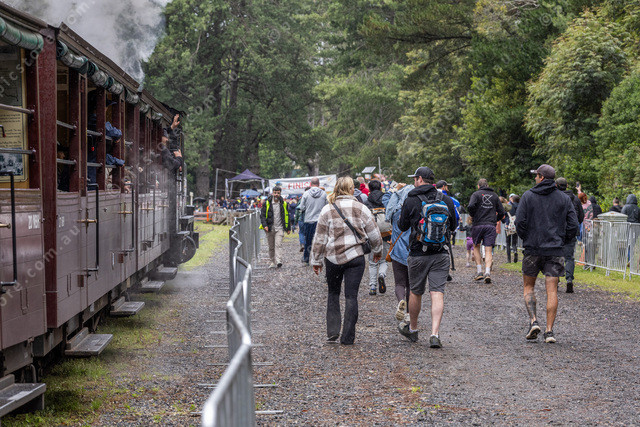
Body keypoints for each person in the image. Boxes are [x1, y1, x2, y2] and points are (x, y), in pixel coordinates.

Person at [310, 177, 383, 345]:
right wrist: (377, 251)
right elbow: (374, 234)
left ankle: (332, 331)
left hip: (333, 258)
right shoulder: (361, 208)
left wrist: (316, 260)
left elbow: (320, 238)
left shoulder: (327, 209)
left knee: (333, 293)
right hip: (355, 258)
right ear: (351, 190)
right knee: (351, 296)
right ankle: (348, 337)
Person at [516, 165, 579, 344]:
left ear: (541, 177)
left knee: (529, 287)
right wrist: (562, 240)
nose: (535, 178)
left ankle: (534, 321)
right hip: (555, 249)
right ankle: (549, 331)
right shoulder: (563, 198)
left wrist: (527, 237)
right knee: (552, 290)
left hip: (532, 248)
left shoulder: (528, 196)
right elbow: (573, 225)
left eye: (536, 176)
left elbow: (520, 222)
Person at [397, 166, 458, 347]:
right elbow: (453, 225)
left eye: (415, 178)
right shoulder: (446, 199)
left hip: (418, 253)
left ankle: (413, 329)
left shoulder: (411, 199)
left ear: (420, 179)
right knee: (437, 292)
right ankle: (435, 334)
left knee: (416, 292)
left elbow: (402, 226)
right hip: (441, 253)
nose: (414, 181)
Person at [383, 182, 414, 322]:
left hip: (397, 251)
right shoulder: (415, 209)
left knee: (399, 283)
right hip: (413, 252)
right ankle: (408, 313)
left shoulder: (394, 212)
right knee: (411, 285)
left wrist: (395, 190)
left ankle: (401, 301)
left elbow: (386, 198)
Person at [467, 178, 506, 283]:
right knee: (488, 250)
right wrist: (495, 220)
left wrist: (473, 215)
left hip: (478, 224)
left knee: (476, 246)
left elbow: (470, 206)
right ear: (487, 185)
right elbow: (502, 212)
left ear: (478, 186)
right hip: (490, 225)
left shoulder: (476, 194)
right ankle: (487, 272)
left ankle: (479, 272)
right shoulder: (495, 196)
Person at [556, 177, 584, 293]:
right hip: (571, 231)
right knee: (569, 257)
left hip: (557, 232)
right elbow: (581, 216)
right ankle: (569, 280)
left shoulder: (554, 198)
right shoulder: (575, 199)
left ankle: (556, 279)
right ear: (567, 186)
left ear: (556, 185)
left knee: (556, 256)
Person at [365, 179, 389, 295]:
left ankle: (373, 287)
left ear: (369, 189)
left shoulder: (367, 201)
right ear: (380, 188)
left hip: (372, 235)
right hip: (385, 234)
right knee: (384, 260)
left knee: (372, 262)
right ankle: (382, 275)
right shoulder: (386, 199)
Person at [259, 187, 291, 268]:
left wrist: (288, 228)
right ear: (272, 193)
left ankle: (278, 261)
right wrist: (265, 225)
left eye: (278, 193)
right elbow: (262, 216)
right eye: (275, 193)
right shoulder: (267, 203)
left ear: (280, 193)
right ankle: (273, 261)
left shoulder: (284, 204)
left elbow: (287, 215)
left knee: (278, 245)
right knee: (271, 246)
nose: (276, 194)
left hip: (280, 228)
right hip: (270, 228)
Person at [298, 177, 328, 264]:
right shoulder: (324, 194)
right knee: (321, 241)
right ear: (319, 184)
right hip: (321, 221)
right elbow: (327, 207)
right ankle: (319, 259)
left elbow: (302, 207)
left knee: (308, 241)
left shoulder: (306, 194)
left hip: (309, 220)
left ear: (310, 184)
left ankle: (306, 258)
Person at [504, 194, 519, 263]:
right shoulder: (519, 206)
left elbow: (505, 215)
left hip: (509, 225)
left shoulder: (508, 206)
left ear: (511, 199)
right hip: (515, 225)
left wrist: (506, 223)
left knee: (508, 242)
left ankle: (509, 259)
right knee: (514, 242)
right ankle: (515, 251)